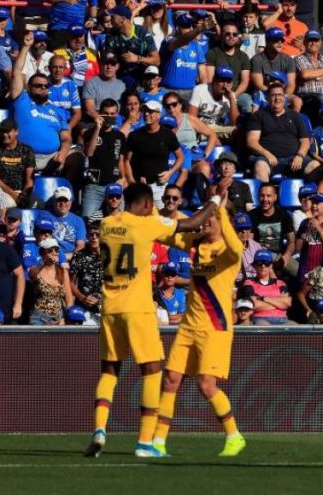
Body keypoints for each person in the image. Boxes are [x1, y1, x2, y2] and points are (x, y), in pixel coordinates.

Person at [84, 180, 228, 459]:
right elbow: (192, 223)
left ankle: (100, 429)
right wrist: (215, 200)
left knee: (109, 371)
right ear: (148, 204)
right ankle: (145, 443)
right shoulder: (145, 224)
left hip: (109, 307)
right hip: (137, 308)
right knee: (152, 371)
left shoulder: (105, 225)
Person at [151, 196, 246, 457]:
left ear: (219, 220)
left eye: (208, 218)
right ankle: (158, 442)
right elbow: (169, 237)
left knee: (206, 384)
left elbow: (238, 250)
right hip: (188, 325)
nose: (203, 223)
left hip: (215, 326)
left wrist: (221, 211)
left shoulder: (228, 250)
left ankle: (234, 436)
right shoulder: (195, 245)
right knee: (170, 380)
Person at [11, 32, 72, 174]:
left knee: (78, 158)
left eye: (46, 86)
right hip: (24, 157)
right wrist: (26, 47)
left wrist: (62, 154)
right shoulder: (22, 99)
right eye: (38, 86)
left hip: (52, 159)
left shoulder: (58, 111)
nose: (43, 89)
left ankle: (64, 193)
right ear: (29, 88)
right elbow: (17, 72)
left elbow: (67, 138)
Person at [123, 99, 183, 208]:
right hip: (140, 186)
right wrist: (132, 182)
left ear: (159, 114)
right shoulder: (135, 135)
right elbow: (126, 160)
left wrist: (170, 172)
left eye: (150, 111)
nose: (146, 114)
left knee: (161, 220)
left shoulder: (168, 135)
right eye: (145, 110)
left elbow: (180, 157)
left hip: (160, 186)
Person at [247, 82, 311, 182]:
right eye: (273, 95)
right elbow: (252, 142)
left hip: (293, 159)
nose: (277, 98)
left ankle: (309, 196)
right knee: (260, 167)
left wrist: (300, 155)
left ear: (284, 97)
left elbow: (305, 141)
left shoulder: (295, 116)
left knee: (315, 166)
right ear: (268, 98)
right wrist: (267, 154)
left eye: (280, 95)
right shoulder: (258, 115)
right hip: (266, 159)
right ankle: (267, 196)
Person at [80, 98, 126, 219]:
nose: (109, 116)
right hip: (94, 186)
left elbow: (121, 161)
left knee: (119, 221)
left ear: (117, 115)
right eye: (106, 113)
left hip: (114, 186)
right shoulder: (90, 132)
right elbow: (89, 153)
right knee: (88, 220)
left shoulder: (120, 136)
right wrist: (97, 128)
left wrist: (123, 179)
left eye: (112, 114)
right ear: (100, 113)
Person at [102, 5, 160, 88]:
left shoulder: (143, 32)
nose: (110, 21)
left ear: (123, 19)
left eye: (113, 17)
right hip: (120, 77)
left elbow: (157, 61)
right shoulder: (111, 36)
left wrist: (137, 58)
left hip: (142, 76)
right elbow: (109, 58)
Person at [248, 182, 296, 272]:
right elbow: (249, 243)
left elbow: (292, 241)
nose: (265, 199)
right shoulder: (252, 215)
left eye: (269, 196)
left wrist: (287, 255)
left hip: (278, 257)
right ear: (258, 197)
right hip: (258, 257)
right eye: (262, 196)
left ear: (275, 197)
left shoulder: (284, 215)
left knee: (299, 272)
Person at [0, 117, 35, 207]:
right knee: (8, 203)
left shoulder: (27, 150)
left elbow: (30, 179)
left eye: (8, 132)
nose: (5, 135)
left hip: (22, 192)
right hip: (2, 191)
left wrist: (23, 195)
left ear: (16, 132)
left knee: (39, 204)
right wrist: (13, 194)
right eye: (2, 131)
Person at [205, 22, 252, 113]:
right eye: (227, 34)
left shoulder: (243, 56)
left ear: (238, 37)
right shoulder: (212, 53)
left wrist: (233, 96)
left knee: (247, 100)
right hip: (216, 93)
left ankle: (247, 127)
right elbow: (210, 80)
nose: (231, 37)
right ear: (222, 35)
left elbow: (244, 82)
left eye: (234, 34)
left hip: (236, 93)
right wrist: (221, 95)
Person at [159, 14, 207, 101]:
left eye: (191, 26)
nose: (190, 29)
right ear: (177, 28)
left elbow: (203, 75)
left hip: (191, 92)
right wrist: (199, 29)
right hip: (169, 92)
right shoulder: (168, 41)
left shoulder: (197, 45)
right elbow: (181, 41)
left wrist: (204, 94)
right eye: (186, 26)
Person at [240, 249, 293, 325]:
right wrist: (278, 304)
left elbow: (287, 303)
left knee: (295, 327)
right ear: (254, 265)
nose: (263, 266)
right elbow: (253, 305)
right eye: (259, 263)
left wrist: (263, 299)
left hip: (283, 319)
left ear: (271, 266)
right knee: (264, 328)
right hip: (260, 319)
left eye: (266, 263)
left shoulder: (280, 283)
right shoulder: (249, 282)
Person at [28, 237, 74, 325]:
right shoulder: (36, 270)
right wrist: (45, 262)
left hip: (58, 318)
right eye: (50, 250)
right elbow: (32, 275)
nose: (54, 253)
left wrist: (65, 318)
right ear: (42, 253)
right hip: (39, 318)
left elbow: (69, 299)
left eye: (56, 250)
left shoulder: (62, 272)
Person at [188, 66, 239, 141]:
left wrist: (231, 100)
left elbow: (235, 122)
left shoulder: (230, 95)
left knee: (239, 130)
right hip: (199, 127)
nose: (225, 85)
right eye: (222, 81)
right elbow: (191, 118)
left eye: (228, 81)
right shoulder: (199, 90)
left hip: (218, 128)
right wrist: (210, 134)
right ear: (214, 80)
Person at [69, 219, 104, 324]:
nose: (94, 238)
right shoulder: (79, 256)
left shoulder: (112, 256)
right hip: (84, 306)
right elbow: (70, 283)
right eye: (91, 235)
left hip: (107, 306)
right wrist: (82, 298)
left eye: (97, 234)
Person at [249, 27, 297, 98]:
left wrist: (284, 97)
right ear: (267, 41)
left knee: (297, 101)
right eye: (276, 40)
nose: (280, 42)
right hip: (263, 94)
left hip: (283, 94)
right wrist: (275, 94)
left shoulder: (288, 59)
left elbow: (291, 84)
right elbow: (259, 85)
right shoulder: (257, 59)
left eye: (282, 40)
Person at [82, 51, 126, 122]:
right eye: (106, 63)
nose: (109, 67)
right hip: (96, 122)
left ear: (117, 66)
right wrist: (104, 122)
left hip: (117, 123)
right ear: (100, 64)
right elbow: (90, 109)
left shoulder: (122, 85)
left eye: (112, 64)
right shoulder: (91, 83)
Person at [45, 186, 86, 258]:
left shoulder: (78, 220)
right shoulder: (46, 216)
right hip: (51, 256)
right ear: (54, 202)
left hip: (71, 256)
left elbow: (80, 246)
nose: (62, 203)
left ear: (70, 202)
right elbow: (44, 241)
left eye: (65, 200)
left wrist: (69, 258)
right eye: (59, 200)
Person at [47, 54, 82, 129]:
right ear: (49, 68)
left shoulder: (71, 85)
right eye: (55, 67)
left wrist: (67, 128)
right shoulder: (43, 85)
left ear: (65, 69)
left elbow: (77, 113)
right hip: (48, 124)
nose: (58, 70)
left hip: (67, 124)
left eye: (61, 67)